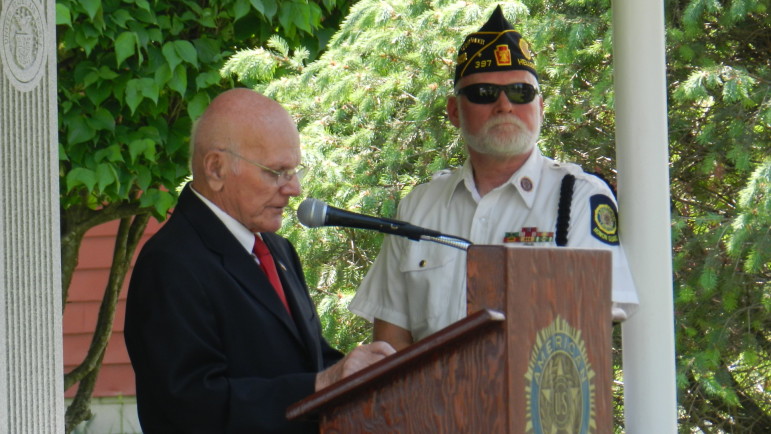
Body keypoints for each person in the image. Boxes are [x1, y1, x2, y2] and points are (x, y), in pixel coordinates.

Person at [349, 6, 639, 351]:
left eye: (520, 93)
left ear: (540, 107)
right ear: (454, 111)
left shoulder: (578, 198)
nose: (504, 105)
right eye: (484, 93)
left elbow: (589, 329)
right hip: (432, 403)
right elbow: (390, 342)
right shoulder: (419, 207)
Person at [124, 88, 395, 433]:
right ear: (216, 168)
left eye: (294, 170)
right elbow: (189, 406)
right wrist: (321, 385)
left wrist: (361, 372)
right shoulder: (171, 263)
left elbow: (309, 363)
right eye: (276, 171)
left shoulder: (276, 250)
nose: (294, 188)